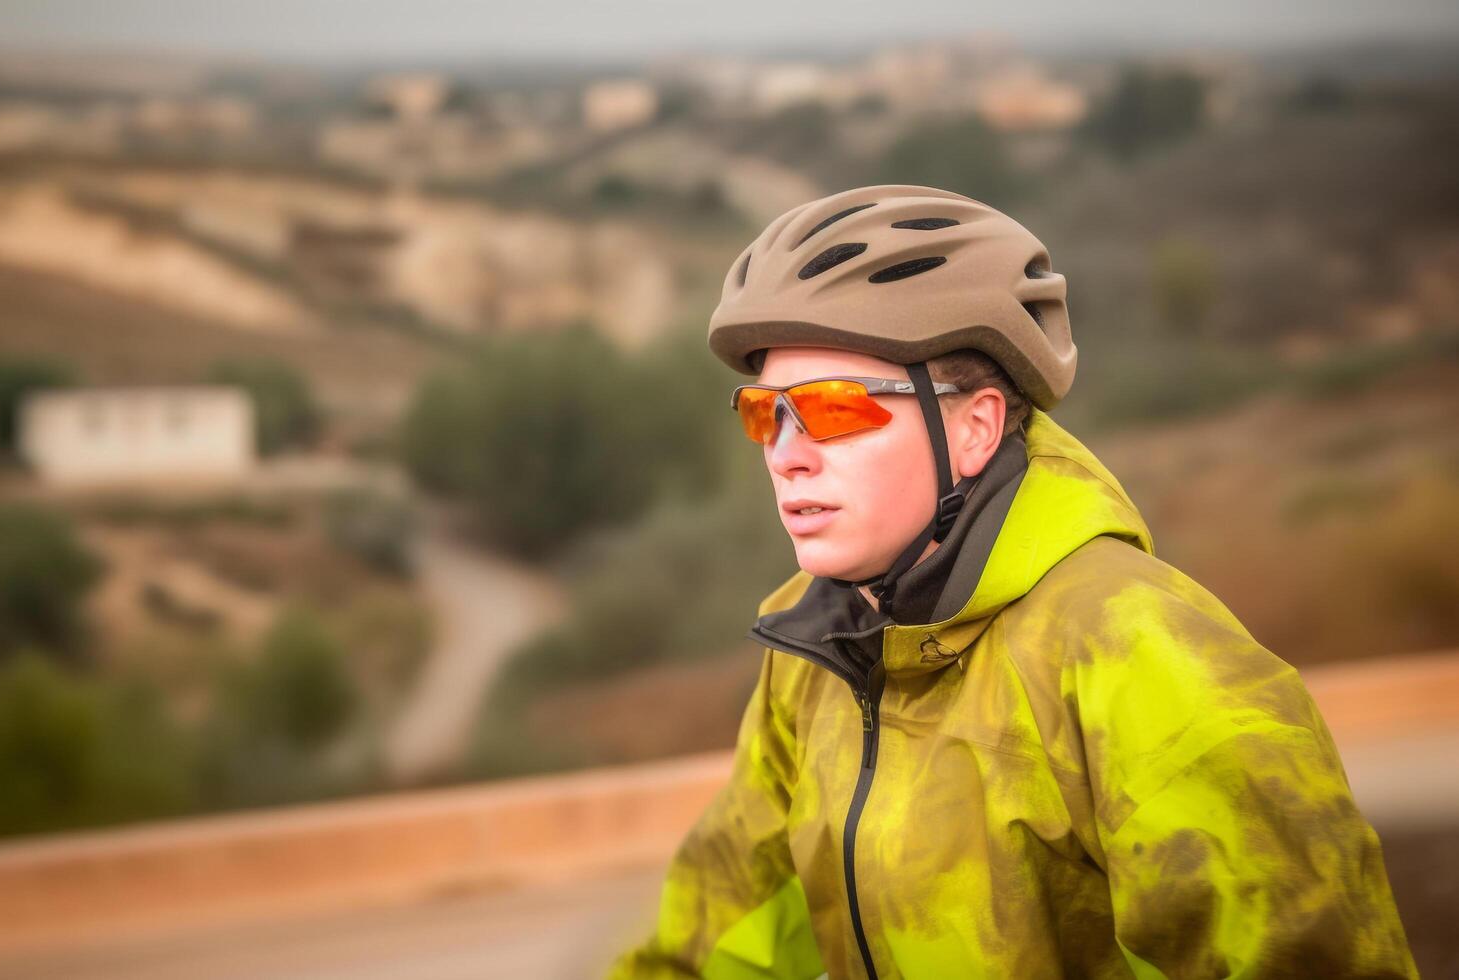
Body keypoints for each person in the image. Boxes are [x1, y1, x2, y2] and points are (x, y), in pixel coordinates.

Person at [604, 185, 1416, 978]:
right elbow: (713, 941)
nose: (785, 452)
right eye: (762, 412)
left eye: (831, 408)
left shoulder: (1142, 655)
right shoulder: (816, 642)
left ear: (974, 427)